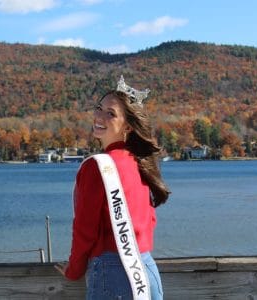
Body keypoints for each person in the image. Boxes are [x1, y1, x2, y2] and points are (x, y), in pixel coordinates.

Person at [55, 76, 170, 300]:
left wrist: (73, 270)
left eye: (111, 113)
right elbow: (150, 221)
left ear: (128, 125)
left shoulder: (97, 167)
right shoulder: (140, 164)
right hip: (146, 273)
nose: (99, 116)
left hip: (113, 276)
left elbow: (84, 231)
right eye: (99, 108)